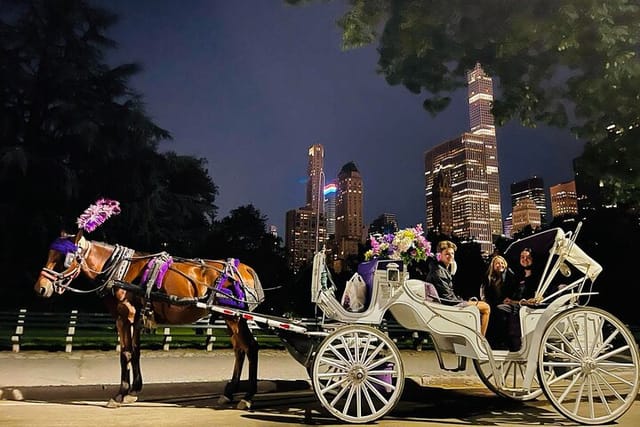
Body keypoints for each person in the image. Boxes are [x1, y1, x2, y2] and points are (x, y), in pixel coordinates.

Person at [426, 240, 491, 336]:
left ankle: (475, 337)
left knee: (479, 305)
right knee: (486, 308)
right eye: (447, 254)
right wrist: (463, 302)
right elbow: (447, 298)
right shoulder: (439, 272)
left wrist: (463, 300)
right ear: (440, 255)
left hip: (447, 304)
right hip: (447, 307)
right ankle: (481, 340)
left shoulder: (440, 269)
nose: (451, 256)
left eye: (452, 253)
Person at [498, 247, 542, 351]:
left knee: (503, 310)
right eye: (522, 257)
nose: (524, 259)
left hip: (529, 306)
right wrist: (508, 299)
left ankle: (514, 343)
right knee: (499, 309)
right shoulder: (518, 275)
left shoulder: (538, 275)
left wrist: (514, 301)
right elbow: (512, 292)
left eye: (528, 257)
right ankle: (505, 342)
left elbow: (535, 298)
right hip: (517, 304)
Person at [480, 255, 516, 348]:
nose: (500, 265)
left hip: (506, 302)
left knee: (499, 312)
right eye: (497, 263)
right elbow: (484, 293)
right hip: (492, 303)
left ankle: (501, 341)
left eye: (502, 263)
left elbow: (513, 290)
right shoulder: (488, 278)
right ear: (493, 266)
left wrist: (510, 299)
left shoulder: (510, 275)